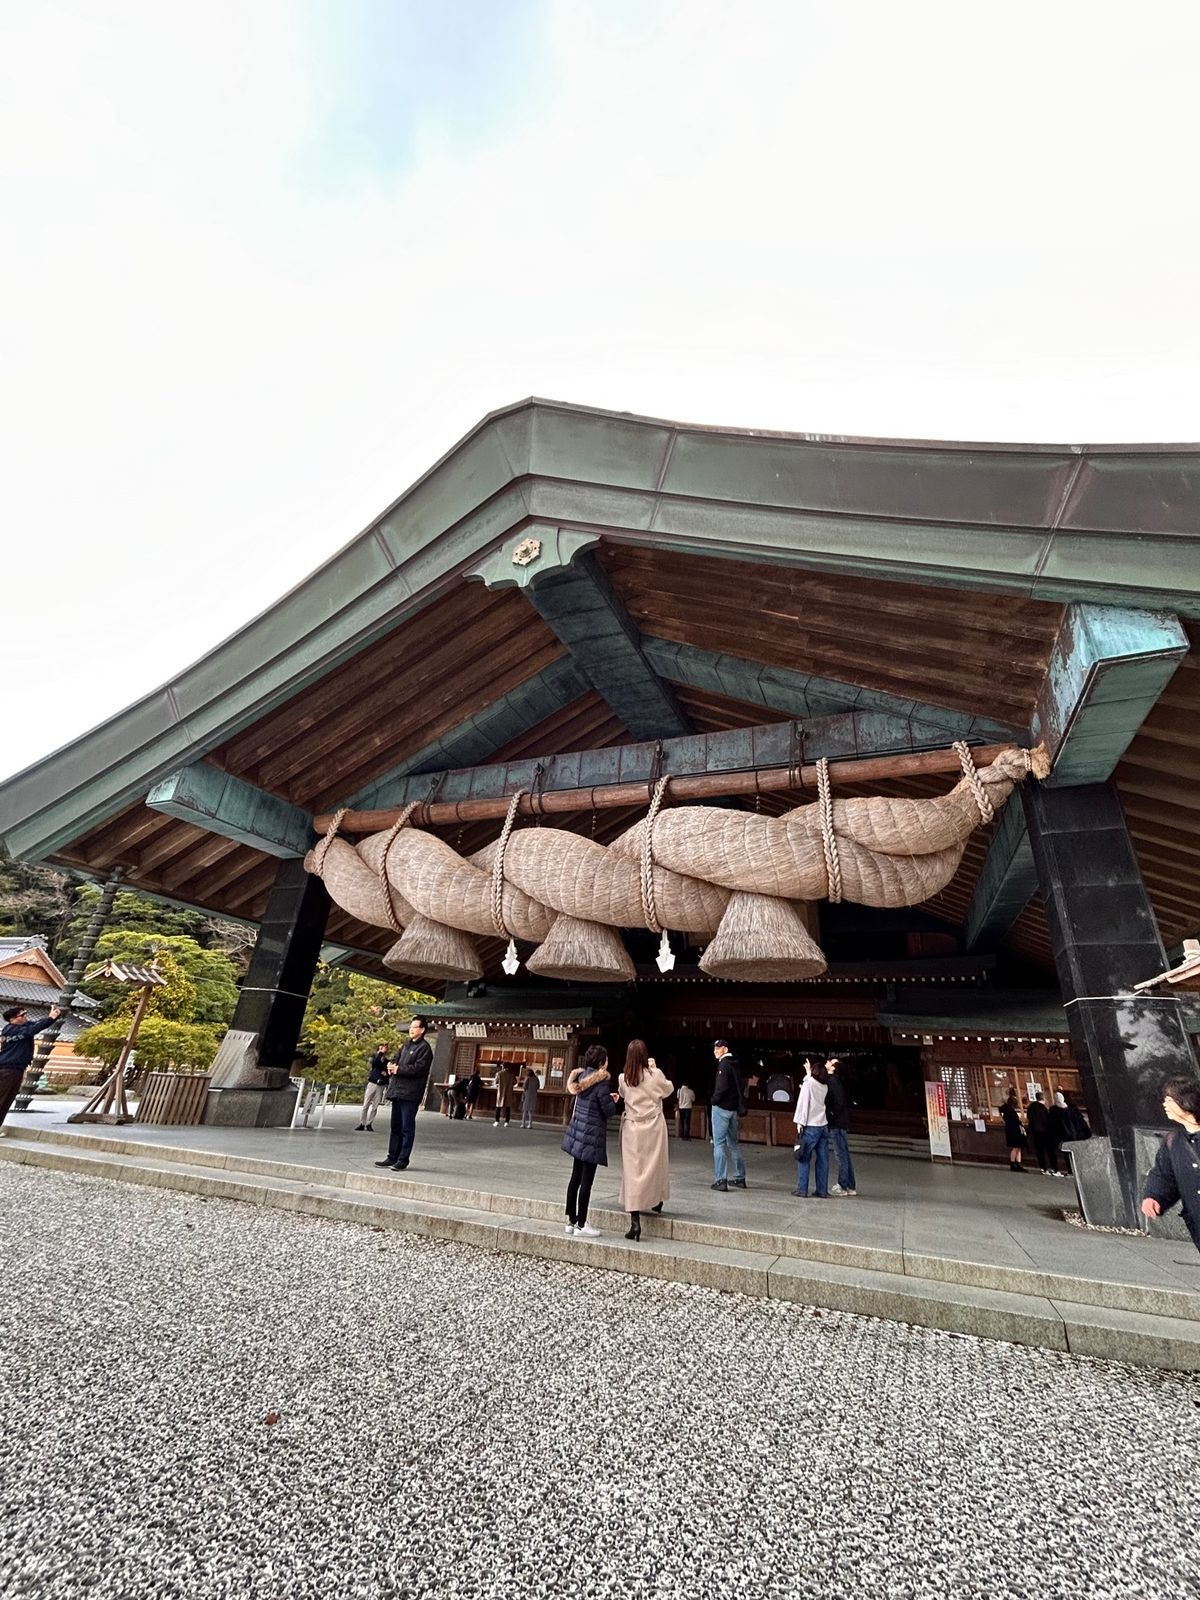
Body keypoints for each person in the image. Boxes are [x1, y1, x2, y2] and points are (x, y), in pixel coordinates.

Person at [617, 1040, 674, 1241]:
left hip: (633, 1128)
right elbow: (668, 1089)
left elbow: (624, 1095)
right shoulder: (654, 1076)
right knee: (655, 1165)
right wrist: (654, 1068)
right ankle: (656, 1199)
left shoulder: (623, 1078)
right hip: (654, 1126)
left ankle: (635, 1222)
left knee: (633, 1171)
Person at [561, 1044, 619, 1237]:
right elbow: (608, 1110)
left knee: (575, 1177)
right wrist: (614, 1100)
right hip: (592, 1134)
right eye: (606, 1060)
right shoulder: (601, 1083)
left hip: (578, 1132)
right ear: (602, 1063)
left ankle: (570, 1220)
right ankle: (582, 1223)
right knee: (587, 1180)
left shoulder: (580, 1078)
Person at [1141, 1076, 1200, 1255]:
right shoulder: (1173, 1142)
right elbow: (1164, 1175)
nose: (1165, 1104)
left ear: (1187, 1101)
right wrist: (1154, 1196)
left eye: (1169, 1099)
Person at [375, 1018, 433, 1172]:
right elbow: (395, 1058)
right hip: (397, 1090)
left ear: (422, 1030)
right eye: (411, 1027)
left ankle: (403, 1159)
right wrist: (391, 1065)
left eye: (415, 1027)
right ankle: (392, 1156)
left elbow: (419, 1069)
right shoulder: (406, 1045)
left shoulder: (425, 1048)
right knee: (395, 1126)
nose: (411, 1030)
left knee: (407, 1127)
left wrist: (399, 1069)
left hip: (411, 1092)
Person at [0, 1005, 62, 1129]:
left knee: (6, 1100)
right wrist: (50, 1018)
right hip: (8, 1069)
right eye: (22, 1015)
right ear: (12, 1019)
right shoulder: (11, 1030)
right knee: (3, 1099)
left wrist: (51, 1018)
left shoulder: (21, 1028)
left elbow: (37, 1024)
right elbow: (33, 1029)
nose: (25, 1017)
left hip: (14, 1069)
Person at [709, 1039, 748, 1193]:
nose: (715, 1051)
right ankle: (740, 1176)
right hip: (733, 1109)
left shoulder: (724, 1065)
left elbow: (721, 1087)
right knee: (733, 1143)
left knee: (718, 1144)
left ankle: (721, 1179)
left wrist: (714, 1100)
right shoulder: (735, 1063)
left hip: (722, 1107)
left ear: (725, 1049)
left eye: (718, 1048)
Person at [792, 1058, 830, 1198]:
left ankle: (802, 1189)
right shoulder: (824, 1086)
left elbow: (803, 1104)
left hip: (811, 1126)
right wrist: (808, 1073)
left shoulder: (808, 1085)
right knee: (822, 1159)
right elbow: (811, 1081)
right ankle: (822, 1190)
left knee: (803, 1157)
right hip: (823, 1125)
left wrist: (800, 1123)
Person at [824, 1057, 857, 1196]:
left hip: (836, 1123)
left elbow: (838, 1102)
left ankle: (843, 1185)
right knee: (845, 1154)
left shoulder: (832, 1081)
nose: (827, 1062)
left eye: (830, 1062)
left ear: (833, 1068)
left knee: (840, 1155)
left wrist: (830, 1115)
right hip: (841, 1121)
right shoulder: (838, 1081)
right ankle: (850, 1185)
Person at [356, 1042, 390, 1132]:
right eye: (380, 1048)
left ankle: (369, 1123)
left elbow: (389, 1072)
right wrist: (380, 1053)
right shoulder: (375, 1058)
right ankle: (362, 1123)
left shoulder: (387, 1061)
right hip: (372, 1083)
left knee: (375, 1106)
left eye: (384, 1049)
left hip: (380, 1085)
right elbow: (375, 1063)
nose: (382, 1050)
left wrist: (385, 1074)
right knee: (366, 1104)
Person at [1025, 1090, 1056, 1176]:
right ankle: (1053, 1168)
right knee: (1050, 1151)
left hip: (1035, 1132)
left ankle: (1043, 1168)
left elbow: (1029, 1118)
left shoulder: (1031, 1107)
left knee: (1040, 1151)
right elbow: (1047, 1120)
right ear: (1043, 1098)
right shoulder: (1044, 1108)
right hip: (1045, 1132)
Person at [1000, 1088, 1026, 1172]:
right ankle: (1014, 1163)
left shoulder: (1007, 1111)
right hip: (1014, 1131)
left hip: (1012, 1131)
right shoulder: (1010, 1112)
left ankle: (1017, 1163)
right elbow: (1014, 1121)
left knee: (1018, 1148)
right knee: (1016, 1148)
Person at [493, 1061, 516, 1128]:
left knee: (498, 1107)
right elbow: (515, 1082)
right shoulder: (512, 1074)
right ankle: (506, 1122)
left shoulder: (499, 1074)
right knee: (508, 1108)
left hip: (501, 1091)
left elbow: (496, 1082)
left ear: (503, 1066)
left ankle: (497, 1121)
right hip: (509, 1092)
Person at [519, 1065, 541, 1129]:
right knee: (531, 1111)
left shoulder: (528, 1078)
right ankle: (530, 1124)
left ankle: (523, 1124)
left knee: (525, 1111)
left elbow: (525, 1087)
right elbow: (538, 1087)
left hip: (527, 1095)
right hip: (534, 1095)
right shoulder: (536, 1079)